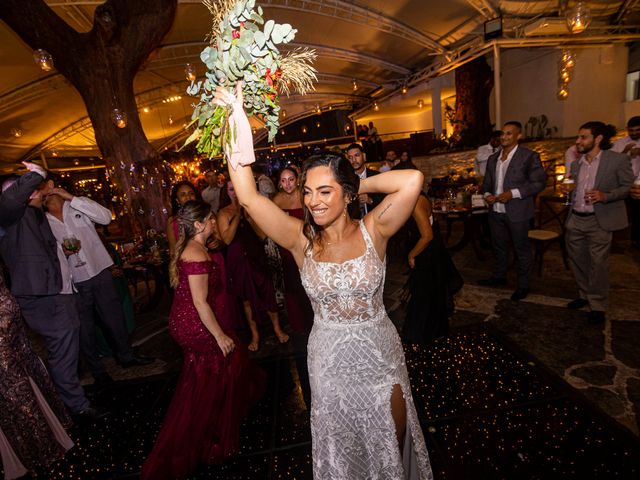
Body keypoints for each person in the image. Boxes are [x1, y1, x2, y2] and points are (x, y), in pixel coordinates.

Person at [215, 85, 432, 479]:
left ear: (346, 194)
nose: (314, 201)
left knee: (390, 448)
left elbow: (412, 180)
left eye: (325, 191)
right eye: (309, 191)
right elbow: (247, 196)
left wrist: (350, 181)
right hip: (329, 362)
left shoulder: (375, 229)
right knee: (343, 453)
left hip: (379, 358)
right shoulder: (300, 240)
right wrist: (235, 117)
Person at [142, 200, 264, 480]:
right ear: (198, 225)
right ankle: (204, 437)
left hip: (186, 322)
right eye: (209, 219)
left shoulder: (193, 248)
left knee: (215, 372)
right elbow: (200, 302)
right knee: (213, 375)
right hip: (195, 325)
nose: (213, 222)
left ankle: (212, 428)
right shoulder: (196, 255)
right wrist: (219, 335)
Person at [0, 163, 101, 420]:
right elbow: (10, 199)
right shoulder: (14, 214)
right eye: (37, 187)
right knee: (63, 351)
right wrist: (36, 174)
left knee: (67, 348)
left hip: (56, 291)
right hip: (42, 296)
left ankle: (71, 397)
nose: (43, 190)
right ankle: (75, 405)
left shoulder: (34, 216)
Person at [44, 185, 152, 385]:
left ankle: (126, 357)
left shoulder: (78, 205)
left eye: (48, 183)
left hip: (99, 271)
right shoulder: (43, 221)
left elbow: (105, 218)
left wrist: (70, 196)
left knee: (114, 318)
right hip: (74, 281)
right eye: (41, 187)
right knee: (84, 328)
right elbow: (46, 251)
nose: (47, 190)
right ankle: (97, 370)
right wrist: (61, 251)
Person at [0, 269, 74, 480]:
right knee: (15, 378)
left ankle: (39, 450)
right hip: (7, 309)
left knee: (12, 382)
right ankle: (41, 447)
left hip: (4, 315)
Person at [563, 121, 634, 325]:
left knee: (598, 264)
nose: (578, 141)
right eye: (579, 137)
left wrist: (605, 196)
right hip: (576, 218)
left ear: (598, 138)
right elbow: (573, 188)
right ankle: (584, 294)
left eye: (583, 137)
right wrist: (567, 190)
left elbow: (627, 186)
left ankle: (597, 304)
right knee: (577, 260)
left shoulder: (617, 160)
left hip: (599, 220)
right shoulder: (577, 163)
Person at [217, 180, 289, 350]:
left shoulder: (253, 210)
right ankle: (255, 335)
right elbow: (227, 239)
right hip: (238, 260)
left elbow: (263, 235)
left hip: (256, 256)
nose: (235, 192)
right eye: (231, 189)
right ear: (227, 192)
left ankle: (277, 329)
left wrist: (249, 216)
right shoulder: (223, 213)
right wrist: (237, 214)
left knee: (268, 292)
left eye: (238, 189)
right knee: (246, 299)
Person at [480, 121, 546, 301]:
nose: (504, 137)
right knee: (499, 246)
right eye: (503, 133)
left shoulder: (529, 156)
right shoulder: (493, 158)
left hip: (518, 212)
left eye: (509, 133)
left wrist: (513, 193)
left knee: (521, 249)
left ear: (519, 136)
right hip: (496, 211)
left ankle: (523, 285)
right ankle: (499, 277)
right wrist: (487, 194)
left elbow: (539, 183)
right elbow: (487, 183)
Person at [399, 187, 463, 344]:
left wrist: (411, 254)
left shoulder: (416, 202)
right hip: (427, 250)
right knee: (429, 292)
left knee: (424, 294)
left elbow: (427, 236)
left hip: (426, 252)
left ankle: (421, 334)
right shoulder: (415, 198)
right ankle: (433, 331)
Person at [272, 167, 313, 334]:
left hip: (307, 244)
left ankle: (315, 319)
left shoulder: (305, 196)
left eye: (290, 179)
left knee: (309, 281)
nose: (287, 184)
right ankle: (300, 323)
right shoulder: (277, 200)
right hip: (287, 247)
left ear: (297, 180)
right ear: (279, 183)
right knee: (293, 284)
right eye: (283, 180)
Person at [611, 116, 640, 248]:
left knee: (637, 213)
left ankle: (635, 240)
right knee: (617, 210)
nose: (634, 133)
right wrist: (626, 152)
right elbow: (611, 162)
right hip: (621, 183)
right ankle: (614, 240)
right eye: (631, 130)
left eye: (637, 130)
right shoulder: (620, 143)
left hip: (638, 184)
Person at [345, 143, 383, 218]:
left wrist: (370, 200)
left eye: (357, 155)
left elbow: (386, 200)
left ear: (364, 156)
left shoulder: (376, 176)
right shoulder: (346, 180)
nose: (353, 160)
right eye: (350, 157)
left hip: (376, 220)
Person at [166, 181, 201, 254]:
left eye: (191, 193)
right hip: (187, 261)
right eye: (183, 195)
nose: (188, 197)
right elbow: (172, 250)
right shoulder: (172, 221)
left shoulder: (206, 214)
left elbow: (220, 239)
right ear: (177, 200)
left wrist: (216, 242)